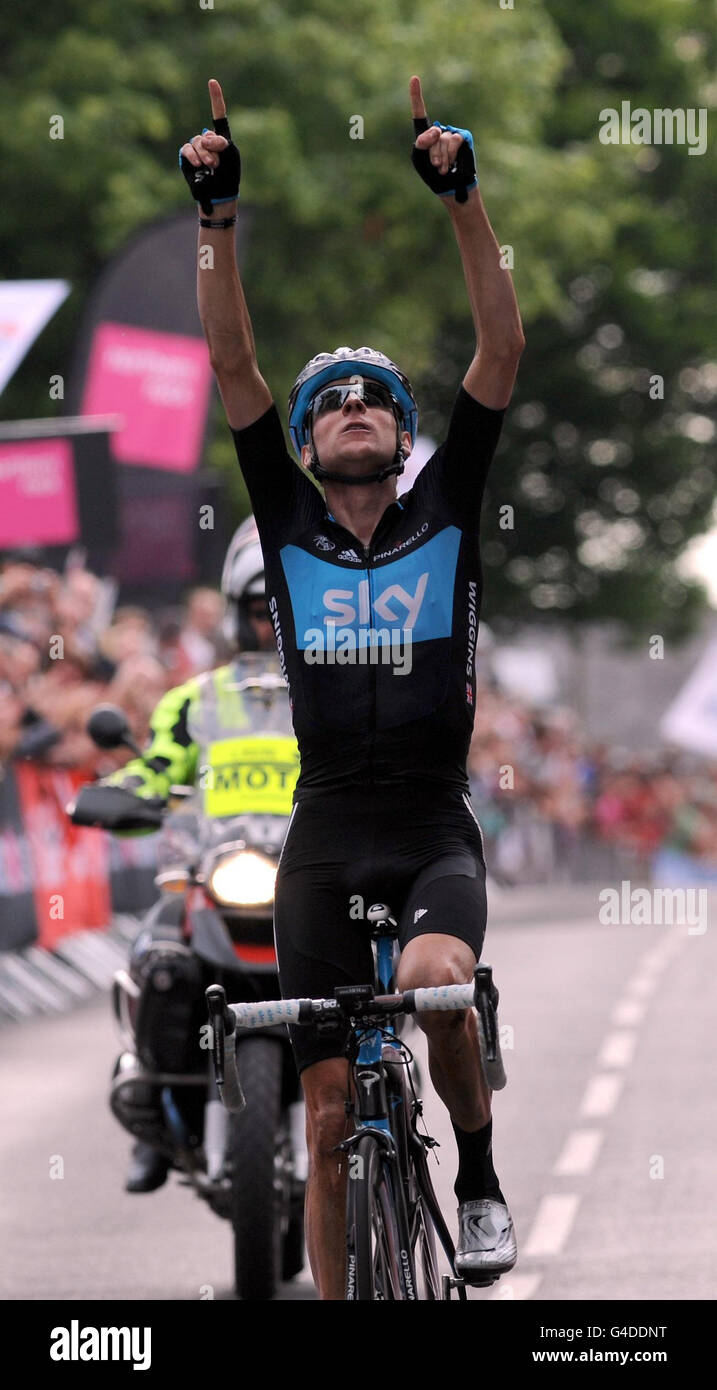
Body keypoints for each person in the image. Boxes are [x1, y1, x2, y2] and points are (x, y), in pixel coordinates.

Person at [181, 75, 524, 1299]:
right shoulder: (287, 524)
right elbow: (232, 358)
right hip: (322, 833)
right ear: (310, 449)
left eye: (378, 397)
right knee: (324, 1122)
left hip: (431, 821)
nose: (357, 412)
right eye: (333, 407)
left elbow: (501, 343)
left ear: (404, 430)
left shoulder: (444, 504)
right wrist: (217, 220)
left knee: (439, 991)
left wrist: (464, 201)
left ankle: (476, 1176)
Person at [99, 519, 280, 1192]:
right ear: (238, 615)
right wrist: (115, 795)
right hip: (215, 875)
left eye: (286, 612)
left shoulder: (339, 696)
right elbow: (154, 770)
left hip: (316, 877)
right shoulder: (195, 699)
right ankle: (153, 1099)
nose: (273, 626)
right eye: (262, 611)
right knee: (156, 958)